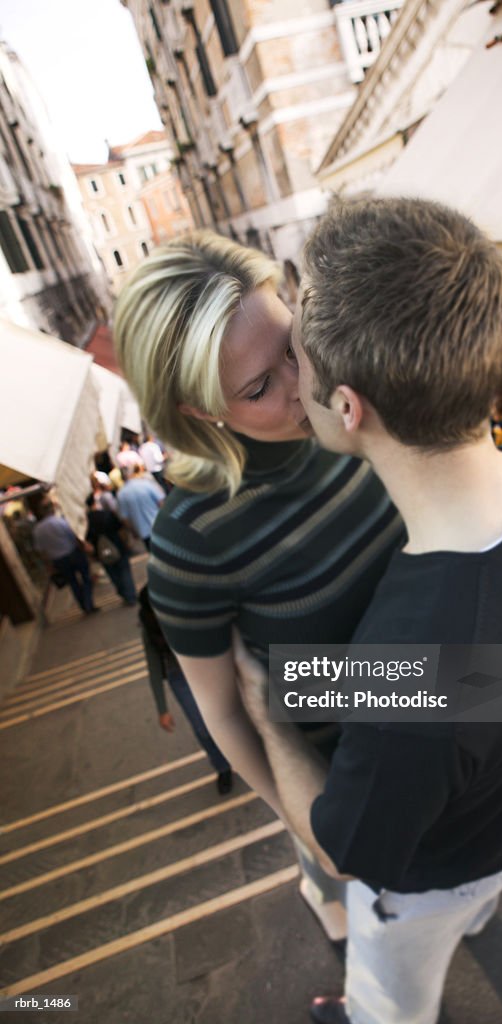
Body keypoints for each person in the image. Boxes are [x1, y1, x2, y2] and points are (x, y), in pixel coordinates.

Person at [231, 197, 502, 1024]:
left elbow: (344, 851)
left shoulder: (413, 669)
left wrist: (269, 710)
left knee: (389, 1003)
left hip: (426, 884)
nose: (291, 383)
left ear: (350, 408)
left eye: (298, 359)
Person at [113, 230, 403, 939]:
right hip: (359, 792)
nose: (303, 383)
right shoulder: (194, 541)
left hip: (459, 721)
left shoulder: (358, 398)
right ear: (197, 412)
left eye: (291, 346)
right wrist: (313, 835)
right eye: (258, 387)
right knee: (394, 977)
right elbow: (232, 715)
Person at [138, 585, 233, 794]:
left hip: (208, 666)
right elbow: (154, 666)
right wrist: (162, 709)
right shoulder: (150, 629)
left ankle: (248, 754)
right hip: (179, 677)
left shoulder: (187, 611)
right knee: (202, 728)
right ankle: (223, 766)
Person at [33, 498, 99, 615]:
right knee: (86, 578)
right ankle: (88, 603)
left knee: (73, 582)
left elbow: (41, 550)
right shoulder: (61, 522)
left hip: (58, 559)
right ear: (52, 509)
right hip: (73, 553)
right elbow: (75, 537)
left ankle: (84, 605)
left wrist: (49, 565)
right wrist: (85, 549)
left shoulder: (38, 530)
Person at [85, 495, 137, 605]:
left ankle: (123, 593)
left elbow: (87, 540)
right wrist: (127, 542)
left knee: (113, 573)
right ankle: (131, 595)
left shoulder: (86, 522)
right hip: (117, 545)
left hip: (101, 552)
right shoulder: (107, 514)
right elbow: (121, 528)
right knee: (124, 570)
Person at [116, 462, 165, 550]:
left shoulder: (121, 494)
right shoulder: (145, 484)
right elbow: (161, 502)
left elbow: (124, 518)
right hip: (160, 525)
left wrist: (133, 531)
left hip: (143, 532)